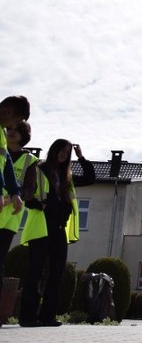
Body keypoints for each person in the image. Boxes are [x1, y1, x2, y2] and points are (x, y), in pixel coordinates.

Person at [19, 139, 95, 327]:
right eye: (61, 150)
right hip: (41, 226)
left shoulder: (66, 176)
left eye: (67, 152)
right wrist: (42, 205)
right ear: (54, 150)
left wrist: (81, 157)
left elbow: (90, 178)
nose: (63, 153)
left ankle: (47, 317)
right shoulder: (38, 169)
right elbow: (27, 194)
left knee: (57, 273)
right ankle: (28, 317)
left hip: (59, 229)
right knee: (36, 272)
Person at [0, 120, 34, 279]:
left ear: (24, 135)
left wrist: (16, 196)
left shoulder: (30, 160)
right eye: (9, 128)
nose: (12, 131)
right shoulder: (2, 151)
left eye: (17, 129)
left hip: (10, 217)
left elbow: (30, 190)